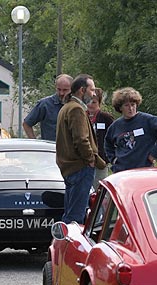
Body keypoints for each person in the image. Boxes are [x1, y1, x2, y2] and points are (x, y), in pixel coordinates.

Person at [55, 74, 106, 224]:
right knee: (75, 217)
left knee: (71, 212)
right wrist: (90, 159)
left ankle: (63, 244)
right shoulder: (76, 109)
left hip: (71, 167)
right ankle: (68, 246)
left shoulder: (67, 107)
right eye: (92, 90)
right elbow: (81, 139)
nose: (94, 93)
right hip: (80, 168)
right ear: (82, 90)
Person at [104, 87, 157, 173]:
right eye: (126, 105)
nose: (130, 108)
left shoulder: (148, 120)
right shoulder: (115, 126)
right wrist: (114, 160)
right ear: (120, 108)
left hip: (144, 169)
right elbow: (107, 143)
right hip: (122, 170)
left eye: (133, 105)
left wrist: (154, 154)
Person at [23, 74, 73, 141]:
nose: (61, 93)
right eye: (59, 89)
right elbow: (27, 124)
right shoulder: (45, 104)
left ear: (72, 89)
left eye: (65, 90)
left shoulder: (76, 105)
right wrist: (36, 144)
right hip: (51, 149)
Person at [87, 87, 114, 189]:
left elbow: (114, 137)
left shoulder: (106, 117)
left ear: (99, 103)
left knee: (99, 189)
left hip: (101, 161)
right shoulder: (81, 116)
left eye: (93, 102)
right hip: (84, 162)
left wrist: (110, 156)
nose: (90, 105)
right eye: (88, 102)